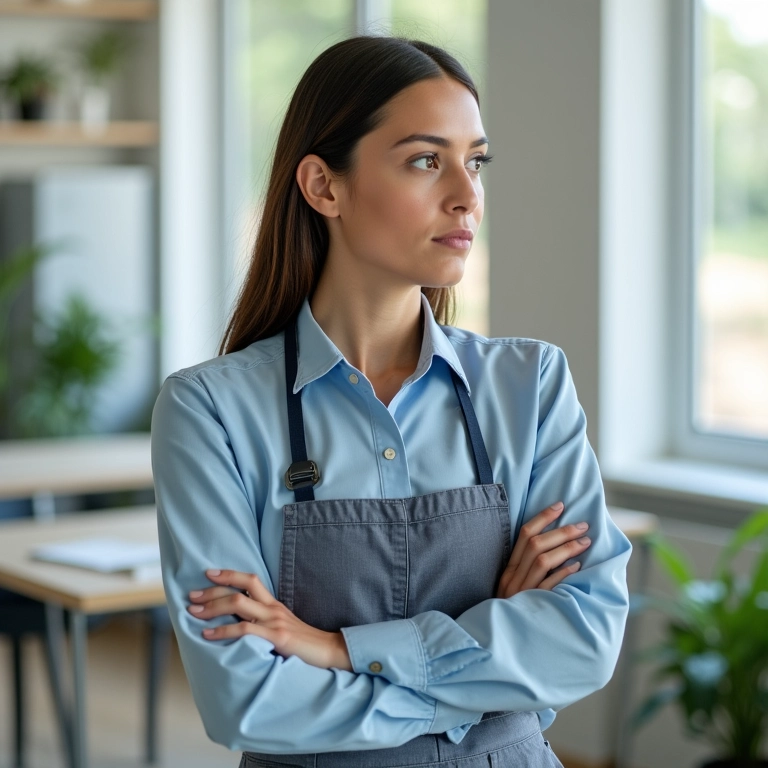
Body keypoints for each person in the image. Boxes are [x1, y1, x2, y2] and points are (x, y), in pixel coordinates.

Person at [151, 35, 632, 768]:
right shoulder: (208, 412)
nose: (467, 194)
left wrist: (335, 649)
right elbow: (246, 701)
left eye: (475, 161)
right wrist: (494, 672)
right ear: (324, 187)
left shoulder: (529, 385)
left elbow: (584, 641)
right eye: (424, 160)